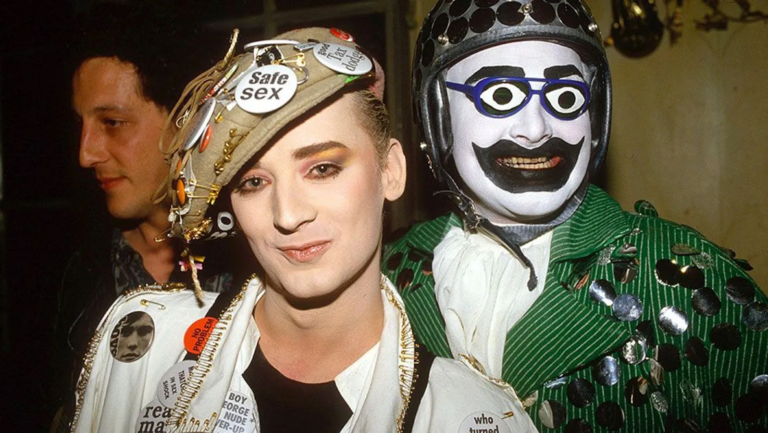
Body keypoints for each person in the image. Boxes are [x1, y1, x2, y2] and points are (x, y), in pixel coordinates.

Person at [70, 28, 537, 433]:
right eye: (253, 181)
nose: (288, 215)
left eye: (323, 168)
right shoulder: (142, 341)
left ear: (391, 170)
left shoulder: (473, 415)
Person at [384, 0, 768, 431]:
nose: (535, 128)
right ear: (437, 114)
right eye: (501, 96)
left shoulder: (692, 280)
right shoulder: (388, 276)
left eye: (565, 97)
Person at [52, 5, 238, 430]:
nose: (86, 154)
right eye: (81, 124)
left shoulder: (261, 260)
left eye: (113, 122)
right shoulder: (76, 274)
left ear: (187, 120)